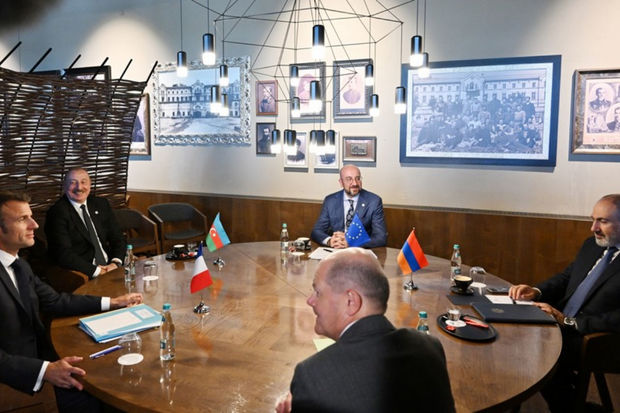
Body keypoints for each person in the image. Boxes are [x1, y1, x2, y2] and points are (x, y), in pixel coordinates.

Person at [0, 191, 142, 411]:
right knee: (102, 396)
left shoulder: (20, 265)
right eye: (22, 219)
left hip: (43, 359)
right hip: (19, 377)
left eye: (31, 217)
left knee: (115, 375)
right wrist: (45, 370)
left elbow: (56, 301)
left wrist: (112, 302)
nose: (34, 225)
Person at [275, 248, 455, 413]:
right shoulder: (430, 346)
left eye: (317, 292)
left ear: (351, 301)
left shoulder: (312, 376)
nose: (310, 301)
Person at [509, 194, 620, 412]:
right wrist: (536, 291)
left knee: (531, 350)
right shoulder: (592, 245)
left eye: (603, 221)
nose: (594, 228)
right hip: (560, 321)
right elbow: (567, 277)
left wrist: (569, 321)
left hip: (593, 336)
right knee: (512, 332)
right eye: (593, 220)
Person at [45, 168, 125, 279]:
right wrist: (97, 271)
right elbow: (63, 254)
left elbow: (118, 238)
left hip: (110, 267)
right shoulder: (57, 212)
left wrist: (115, 263)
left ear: (90, 185)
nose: (79, 187)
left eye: (83, 182)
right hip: (85, 274)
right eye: (73, 183)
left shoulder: (101, 204)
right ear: (65, 186)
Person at [311, 165, 387, 249]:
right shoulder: (330, 200)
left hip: (360, 251)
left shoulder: (374, 201)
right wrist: (330, 241)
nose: (355, 183)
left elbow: (381, 238)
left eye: (358, 178)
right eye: (349, 179)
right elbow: (316, 231)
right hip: (336, 249)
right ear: (341, 182)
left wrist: (352, 242)